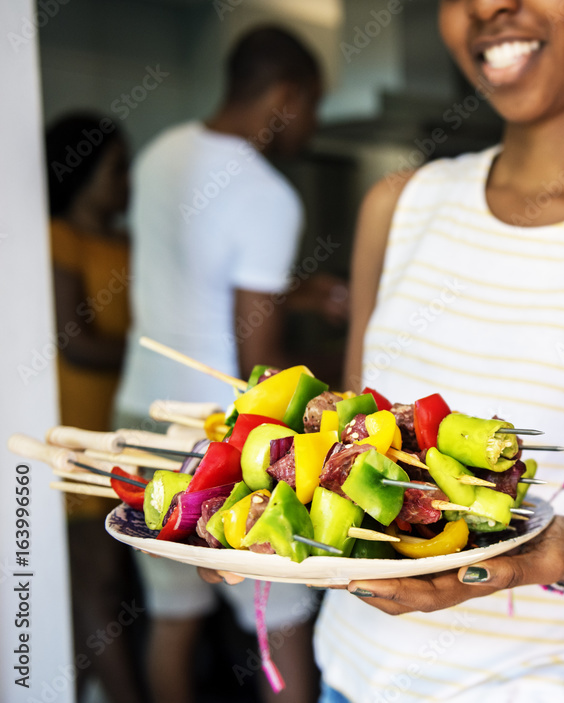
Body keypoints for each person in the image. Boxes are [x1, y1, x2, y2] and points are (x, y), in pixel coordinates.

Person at [206, 2, 564, 701]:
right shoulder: (397, 205)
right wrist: (250, 508)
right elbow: (356, 463)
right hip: (352, 679)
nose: (487, 6)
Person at [114, 25, 336, 703]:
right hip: (222, 437)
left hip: (142, 415)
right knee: (282, 624)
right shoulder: (269, 194)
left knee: (174, 620)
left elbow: (192, 278)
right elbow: (260, 363)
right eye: (311, 107)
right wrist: (342, 365)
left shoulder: (159, 156)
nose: (310, 125)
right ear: (286, 96)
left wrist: (297, 291)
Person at [46, 113, 144, 703]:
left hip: (125, 428)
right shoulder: (61, 236)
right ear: (80, 173)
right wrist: (152, 356)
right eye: (116, 168)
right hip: (80, 429)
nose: (127, 181)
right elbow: (73, 338)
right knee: (99, 578)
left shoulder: (128, 241)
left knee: (116, 572)